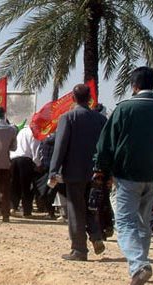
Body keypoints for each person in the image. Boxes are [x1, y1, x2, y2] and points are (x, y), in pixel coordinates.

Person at [94, 66, 153, 284]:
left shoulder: (124, 108)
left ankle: (139, 264)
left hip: (127, 175)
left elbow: (107, 143)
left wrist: (101, 169)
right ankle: (140, 263)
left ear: (134, 86)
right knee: (143, 220)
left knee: (125, 221)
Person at [49, 83, 107, 262]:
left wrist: (53, 170)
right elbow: (105, 146)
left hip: (74, 172)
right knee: (88, 206)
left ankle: (79, 249)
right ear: (90, 99)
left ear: (73, 99)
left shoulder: (68, 117)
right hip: (95, 171)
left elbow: (60, 147)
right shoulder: (101, 120)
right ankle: (96, 235)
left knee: (75, 208)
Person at [10, 126, 41, 217]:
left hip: (14, 159)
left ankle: (13, 207)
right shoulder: (35, 132)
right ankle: (27, 211)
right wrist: (38, 164)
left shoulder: (22, 131)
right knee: (26, 186)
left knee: (14, 185)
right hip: (25, 160)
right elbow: (35, 149)